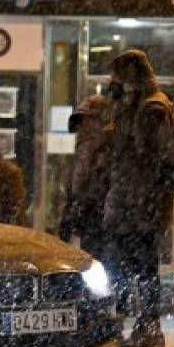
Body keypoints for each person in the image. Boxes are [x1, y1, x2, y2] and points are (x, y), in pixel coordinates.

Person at [102, 49, 174, 347]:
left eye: (119, 77)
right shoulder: (133, 105)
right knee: (121, 266)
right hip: (127, 201)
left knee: (142, 268)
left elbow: (151, 157)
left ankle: (148, 325)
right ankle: (124, 324)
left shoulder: (153, 108)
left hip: (140, 204)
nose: (115, 83)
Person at [59, 95, 112, 262]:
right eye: (82, 124)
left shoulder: (109, 152)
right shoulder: (83, 152)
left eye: (88, 122)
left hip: (101, 221)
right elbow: (75, 187)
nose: (83, 128)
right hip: (89, 221)